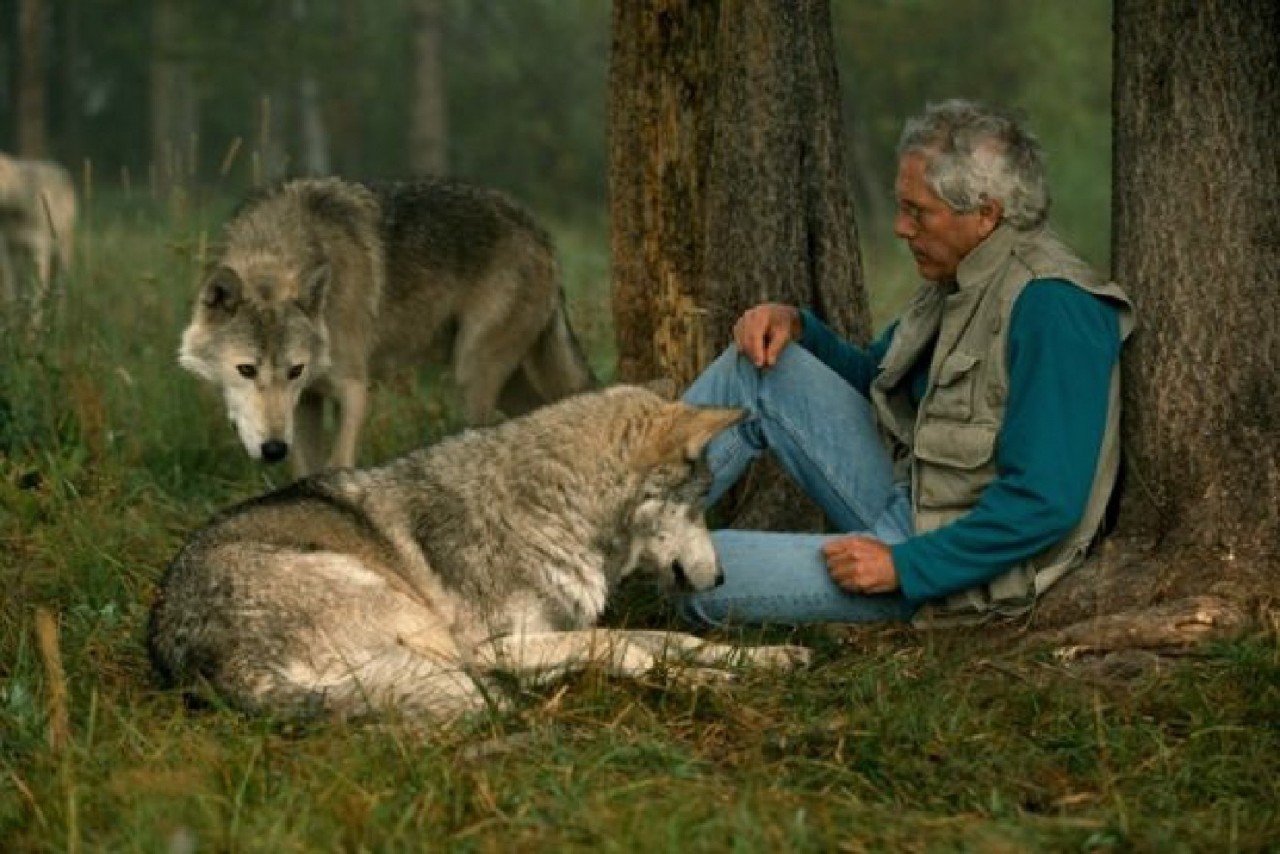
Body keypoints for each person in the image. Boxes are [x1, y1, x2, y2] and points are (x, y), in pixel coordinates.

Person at [680, 99, 1135, 628]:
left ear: (985, 214)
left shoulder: (1054, 306)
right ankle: (586, 529)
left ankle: (600, 557)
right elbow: (880, 382)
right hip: (908, 491)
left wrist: (904, 566)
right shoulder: (963, 271)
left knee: (701, 571)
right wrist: (799, 329)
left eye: (918, 212)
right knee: (756, 368)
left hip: (948, 562)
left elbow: (1045, 502)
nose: (900, 227)